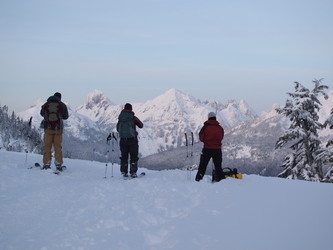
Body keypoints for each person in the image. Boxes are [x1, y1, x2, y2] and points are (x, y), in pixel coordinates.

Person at [40, 92, 69, 170]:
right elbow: (66, 117)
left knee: (47, 147)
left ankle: (46, 164)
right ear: (60, 98)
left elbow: (42, 114)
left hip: (47, 129)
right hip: (58, 130)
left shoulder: (46, 104)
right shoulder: (62, 105)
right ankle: (58, 164)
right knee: (57, 147)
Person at [195, 112, 224, 182]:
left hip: (207, 149)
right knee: (218, 166)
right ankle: (220, 179)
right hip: (217, 149)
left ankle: (199, 179)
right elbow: (221, 137)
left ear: (208, 118)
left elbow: (201, 138)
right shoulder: (220, 128)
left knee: (203, 165)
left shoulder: (205, 127)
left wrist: (207, 140)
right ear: (215, 118)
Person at [116, 103, 143, 178]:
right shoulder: (133, 118)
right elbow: (141, 125)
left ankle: (124, 172)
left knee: (124, 156)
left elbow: (118, 129)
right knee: (133, 156)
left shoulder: (120, 118)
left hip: (122, 140)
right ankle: (133, 172)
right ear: (131, 109)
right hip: (132, 140)